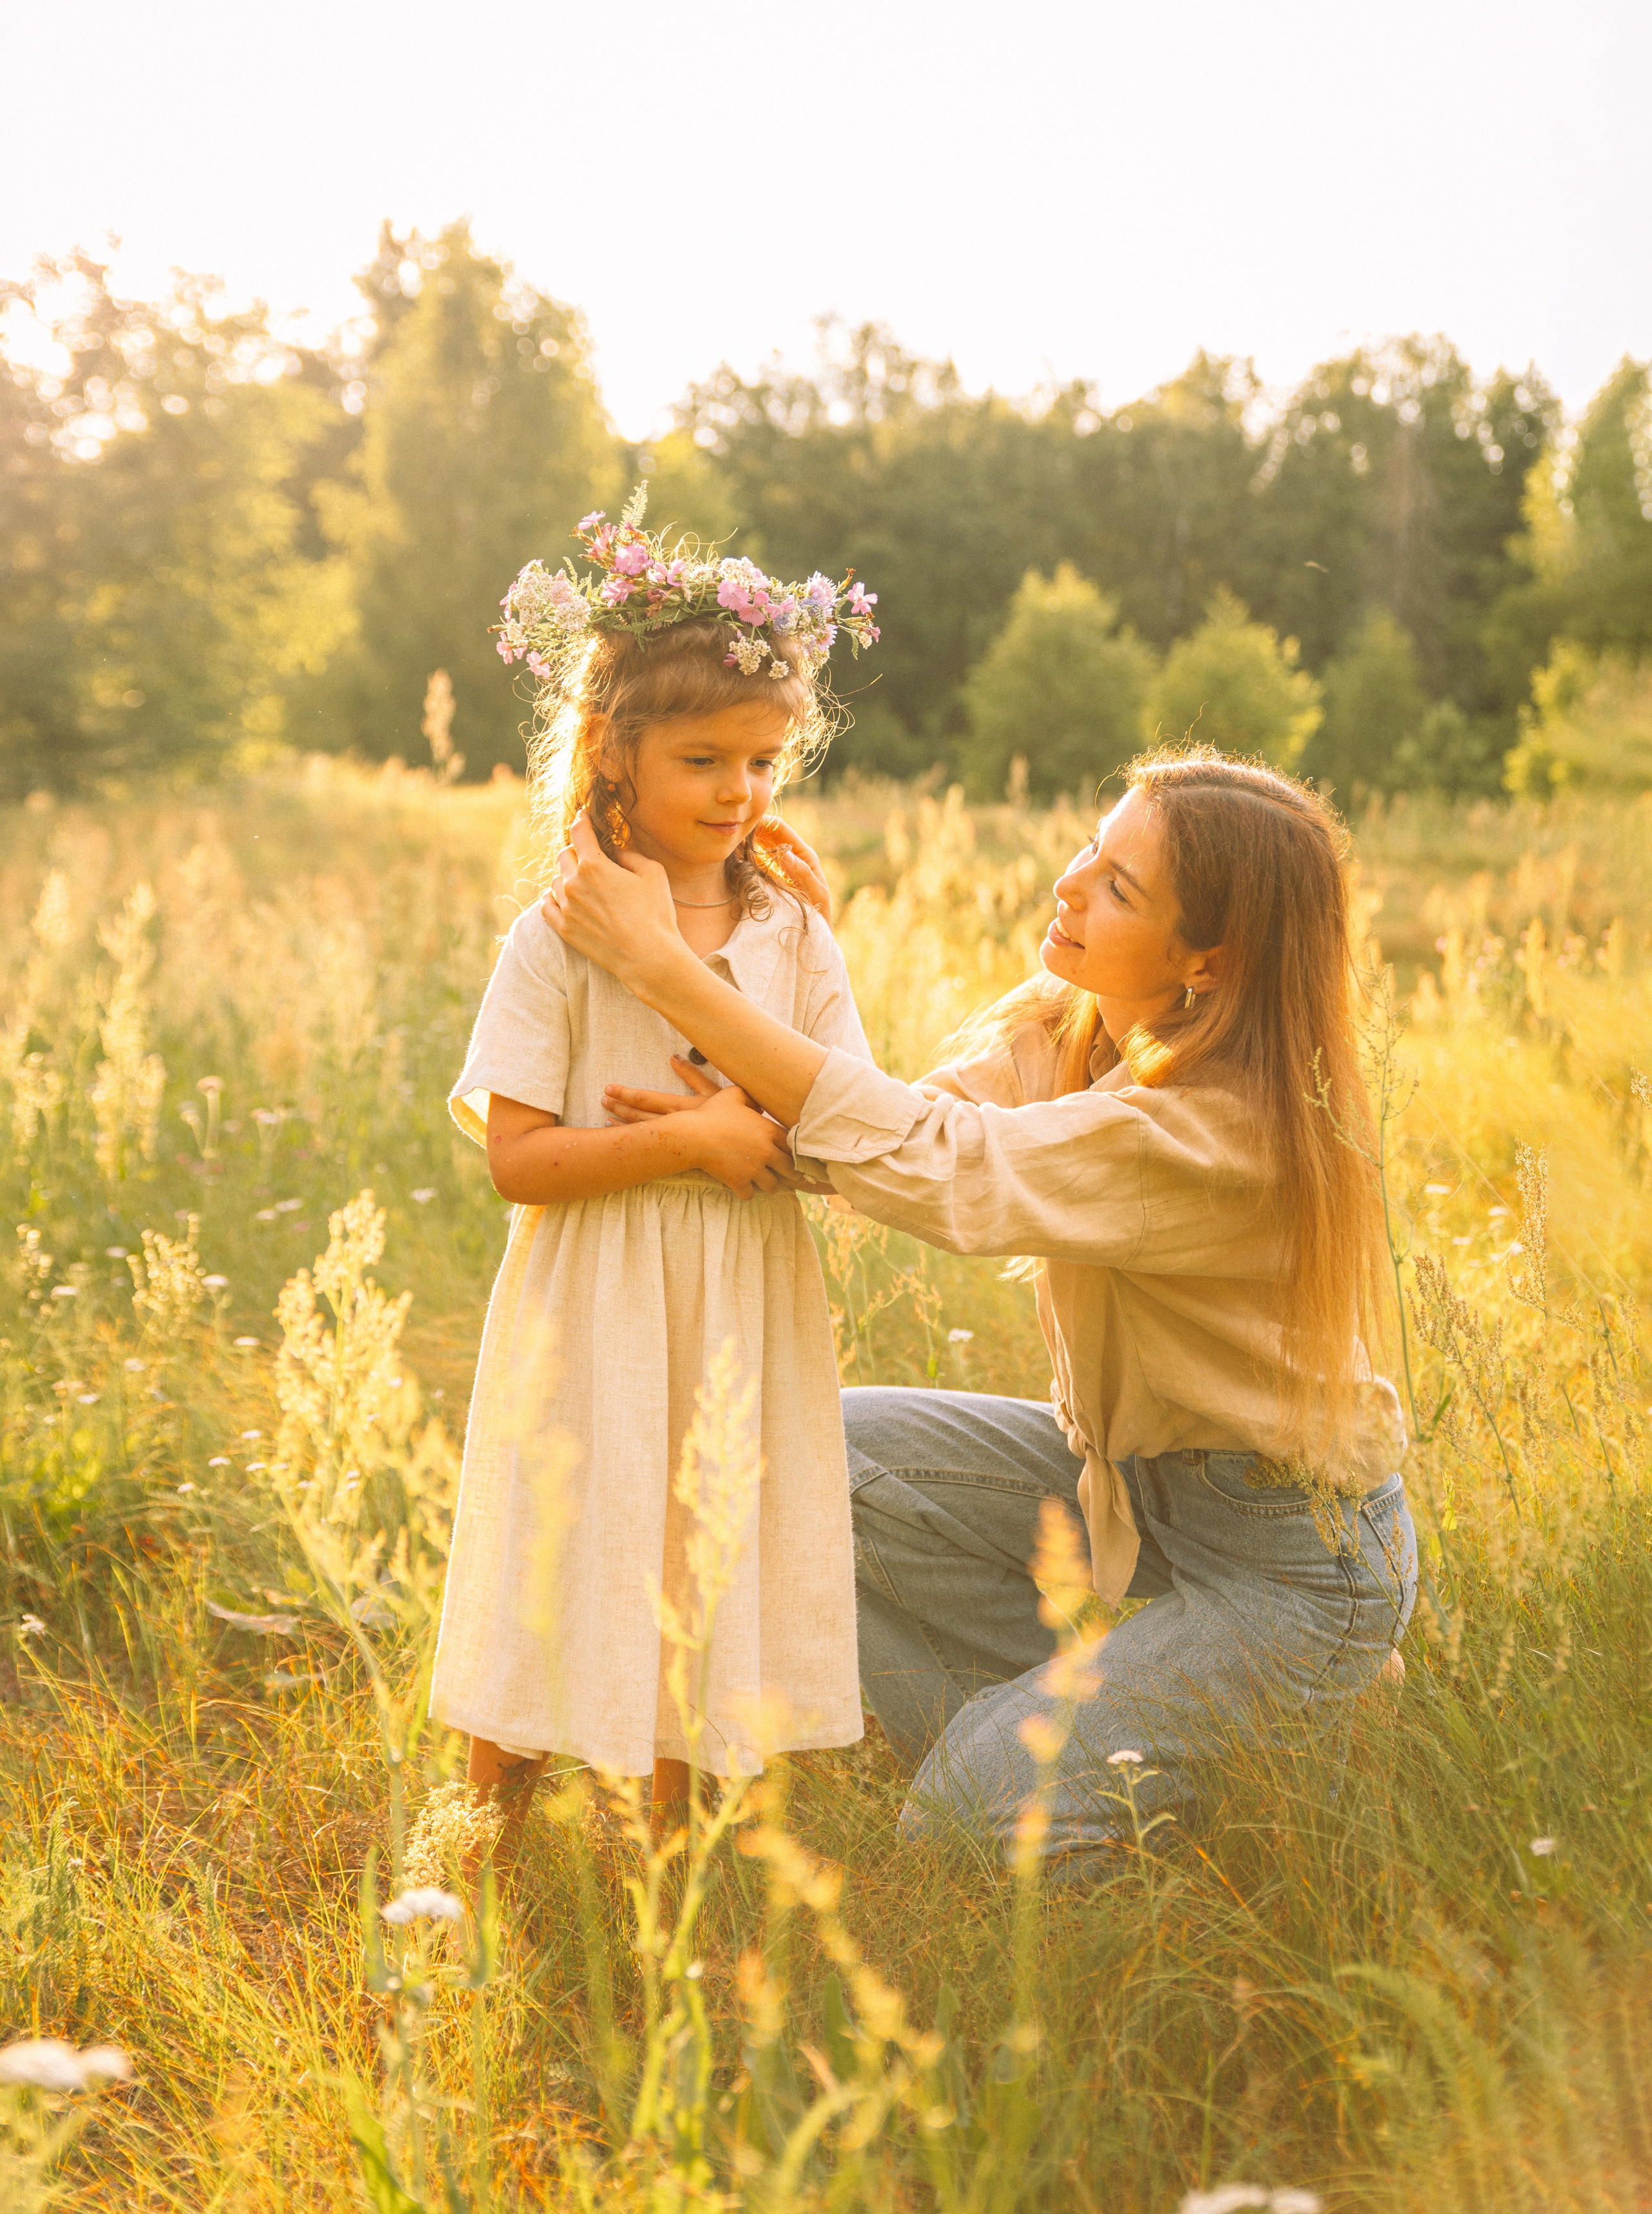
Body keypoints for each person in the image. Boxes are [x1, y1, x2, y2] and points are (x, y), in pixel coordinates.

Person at [548, 746, 1418, 1880]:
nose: (1070, 886)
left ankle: (1213, 1749)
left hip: (1294, 1561)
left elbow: (945, 1172)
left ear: (1213, 957)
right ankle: (1121, 1726)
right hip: (1144, 1496)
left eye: (1120, 889)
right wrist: (795, 984)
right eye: (1093, 852)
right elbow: (902, 1134)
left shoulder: (1218, 1131)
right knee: (789, 1458)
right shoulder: (1084, 1020)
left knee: (968, 1824)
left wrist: (665, 967)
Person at [430, 496, 881, 1853]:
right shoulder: (559, 939)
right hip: (597, 1296)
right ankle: (477, 1826)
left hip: (740, 1295)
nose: (737, 793)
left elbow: (840, 1129)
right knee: (559, 1535)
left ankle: (665, 1847)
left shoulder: (789, 933)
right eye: (701, 760)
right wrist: (684, 1141)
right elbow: (516, 1158)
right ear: (609, 754)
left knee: (703, 1538)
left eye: (760, 761)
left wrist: (760, 1129)